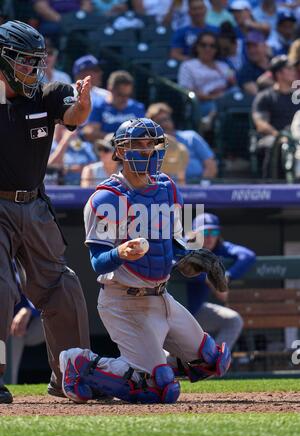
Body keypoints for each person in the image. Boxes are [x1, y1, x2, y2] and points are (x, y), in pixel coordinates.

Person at [59, 117, 231, 404]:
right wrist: (120, 253)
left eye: (151, 143)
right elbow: (98, 262)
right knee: (160, 390)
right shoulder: (105, 198)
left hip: (163, 299)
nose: (147, 150)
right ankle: (82, 365)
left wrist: (194, 258)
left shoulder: (167, 187)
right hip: (125, 302)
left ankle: (140, 369)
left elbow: (175, 244)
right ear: (121, 151)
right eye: (138, 144)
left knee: (212, 362)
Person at [0, 20, 91, 404]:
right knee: (1, 289)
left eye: (37, 62)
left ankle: (71, 376)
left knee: (62, 287)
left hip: (34, 204)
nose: (33, 71)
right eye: (24, 62)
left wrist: (83, 104)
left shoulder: (48, 93)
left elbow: (73, 116)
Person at [185, 213, 256, 350]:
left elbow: (247, 255)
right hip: (171, 313)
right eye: (205, 232)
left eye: (214, 231)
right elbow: (175, 261)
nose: (210, 236)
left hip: (195, 310)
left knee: (233, 321)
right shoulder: (184, 246)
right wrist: (208, 278)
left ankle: (213, 362)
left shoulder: (219, 248)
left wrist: (227, 276)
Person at [252, 54, 300, 177]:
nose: (294, 72)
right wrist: (280, 137)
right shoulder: (265, 96)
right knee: (274, 144)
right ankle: (272, 185)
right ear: (279, 74)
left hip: (297, 137)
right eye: (289, 69)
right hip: (274, 137)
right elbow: (261, 124)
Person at [146, 102, 217, 183]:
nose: (164, 124)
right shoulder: (150, 147)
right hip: (167, 190)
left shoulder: (191, 137)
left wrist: (200, 188)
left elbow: (211, 166)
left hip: (196, 187)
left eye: (166, 119)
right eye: (158, 122)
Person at [178, 30, 236, 118]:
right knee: (219, 108)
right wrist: (213, 97)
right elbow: (187, 92)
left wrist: (231, 82)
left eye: (212, 46)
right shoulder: (187, 66)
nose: (207, 49)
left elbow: (234, 81)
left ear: (216, 49)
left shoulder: (224, 65)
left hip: (225, 98)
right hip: (202, 104)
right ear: (197, 47)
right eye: (203, 45)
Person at [87, 70, 145, 136]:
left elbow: (143, 133)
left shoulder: (137, 107)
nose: (125, 99)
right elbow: (90, 133)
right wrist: (112, 137)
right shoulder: (99, 106)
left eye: (128, 95)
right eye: (120, 95)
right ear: (110, 89)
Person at [237, 31, 270, 96]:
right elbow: (257, 94)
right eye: (249, 48)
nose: (252, 50)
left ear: (265, 46)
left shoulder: (276, 62)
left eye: (255, 46)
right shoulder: (245, 71)